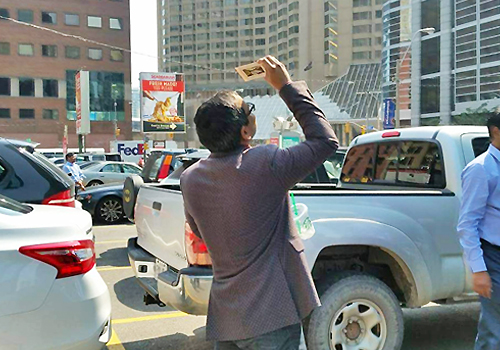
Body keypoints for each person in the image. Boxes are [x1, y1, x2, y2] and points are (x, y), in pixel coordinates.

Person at [180, 56, 339, 349]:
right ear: (245, 131)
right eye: (249, 110)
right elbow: (325, 141)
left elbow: (201, 233)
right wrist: (286, 86)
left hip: (226, 318)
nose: (252, 114)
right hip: (272, 316)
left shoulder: (190, 179)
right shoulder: (266, 163)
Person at [458, 110, 500, 350]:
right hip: (494, 258)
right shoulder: (481, 169)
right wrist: (479, 270)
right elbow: (467, 224)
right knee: (494, 332)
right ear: (496, 132)